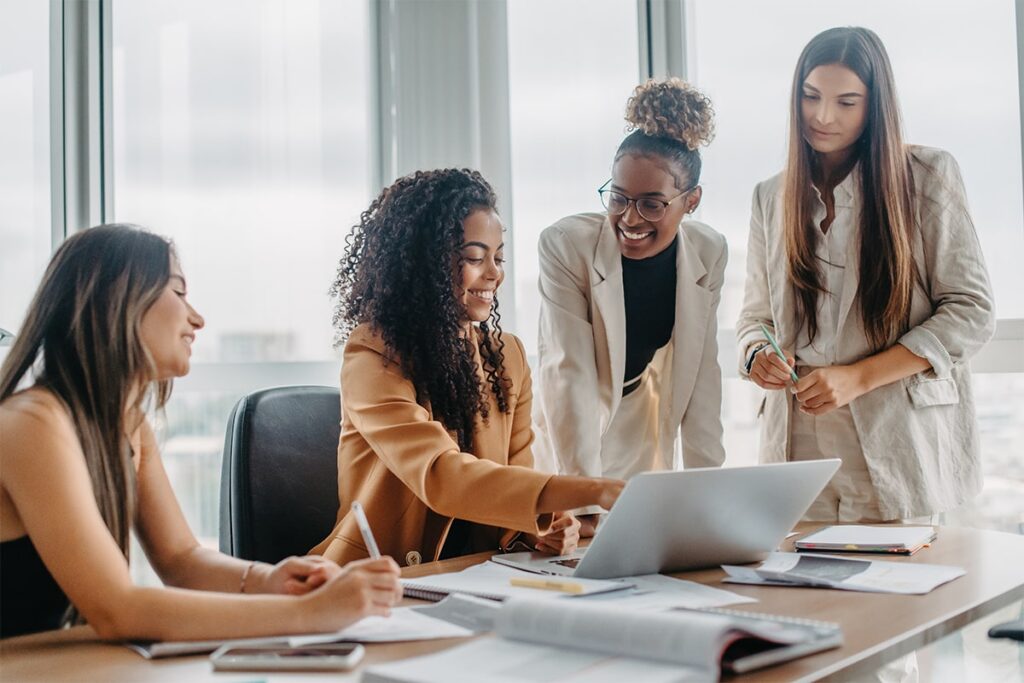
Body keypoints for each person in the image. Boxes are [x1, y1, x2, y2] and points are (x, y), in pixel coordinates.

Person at [0, 225, 402, 641]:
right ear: (117, 300)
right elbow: (116, 608)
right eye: (178, 293)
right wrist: (310, 613)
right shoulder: (33, 424)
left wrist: (268, 581)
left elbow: (180, 558)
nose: (197, 318)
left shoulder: (129, 425)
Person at [737, 27, 995, 523]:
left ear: (876, 105)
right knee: (800, 598)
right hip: (798, 452)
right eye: (810, 97)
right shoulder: (770, 196)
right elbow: (755, 316)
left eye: (846, 102)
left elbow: (972, 311)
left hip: (897, 442)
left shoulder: (927, 176)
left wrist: (858, 378)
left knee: (904, 597)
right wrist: (756, 354)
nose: (823, 116)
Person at [312, 168, 625, 566]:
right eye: (475, 258)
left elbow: (512, 486)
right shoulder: (373, 356)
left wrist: (542, 528)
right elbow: (441, 476)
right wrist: (591, 490)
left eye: (499, 257)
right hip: (379, 579)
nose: (494, 273)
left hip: (476, 578)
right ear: (424, 265)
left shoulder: (507, 358)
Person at [533, 78, 727, 531]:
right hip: (570, 437)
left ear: (691, 201)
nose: (629, 218)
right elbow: (569, 376)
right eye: (618, 198)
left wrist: (713, 502)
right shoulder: (565, 245)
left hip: (640, 427)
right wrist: (581, 504)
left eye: (652, 204)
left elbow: (703, 379)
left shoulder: (710, 251)